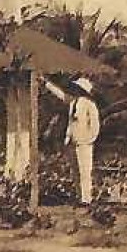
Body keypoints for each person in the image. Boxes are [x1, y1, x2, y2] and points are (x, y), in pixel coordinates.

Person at [43, 75, 100, 203]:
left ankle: (86, 199)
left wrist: (87, 140)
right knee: (75, 171)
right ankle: (80, 197)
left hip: (84, 144)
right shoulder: (74, 102)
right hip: (72, 142)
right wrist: (47, 84)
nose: (75, 90)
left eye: (78, 88)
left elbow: (95, 126)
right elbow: (61, 95)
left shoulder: (90, 105)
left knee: (85, 171)